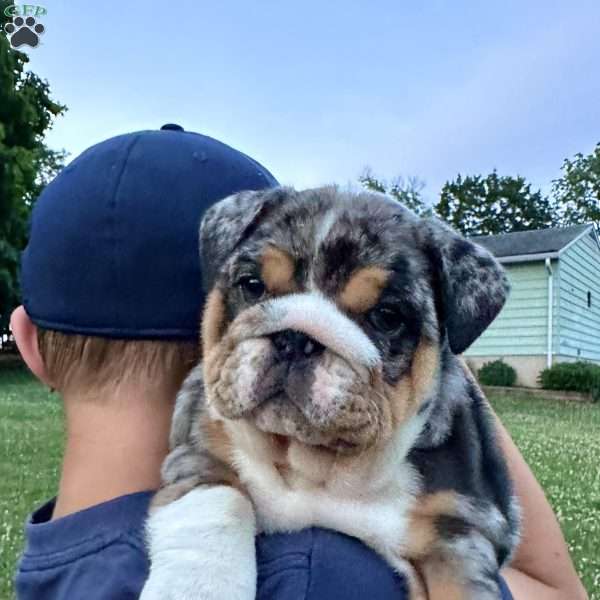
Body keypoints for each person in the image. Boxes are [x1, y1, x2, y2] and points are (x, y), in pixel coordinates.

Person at [11, 124, 586, 600]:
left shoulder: (47, 564)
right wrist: (428, 339)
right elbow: (552, 589)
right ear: (207, 326)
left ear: (28, 343)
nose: (301, 340)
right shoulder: (317, 575)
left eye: (380, 318)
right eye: (260, 292)